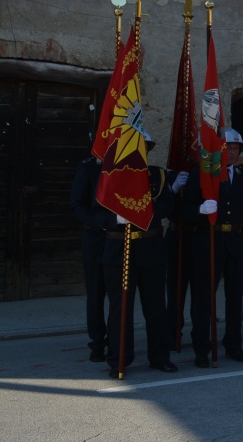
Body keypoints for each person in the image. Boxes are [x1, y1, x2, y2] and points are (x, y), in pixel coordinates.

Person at [182, 128, 243, 367]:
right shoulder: (202, 173)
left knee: (235, 297)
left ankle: (233, 344)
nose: (233, 153)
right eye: (229, 149)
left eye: (236, 149)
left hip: (237, 243)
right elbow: (184, 210)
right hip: (210, 243)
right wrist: (199, 211)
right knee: (204, 300)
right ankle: (202, 348)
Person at [100, 140, 179, 377]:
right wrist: (115, 220)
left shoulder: (157, 175)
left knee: (156, 308)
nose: (139, 152)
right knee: (120, 309)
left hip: (151, 248)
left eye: (143, 148)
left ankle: (159, 357)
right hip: (119, 249)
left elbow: (167, 205)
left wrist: (144, 210)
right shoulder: (110, 176)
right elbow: (91, 213)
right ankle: (119, 359)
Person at [70, 155, 108, 363]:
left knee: (120, 296)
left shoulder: (128, 164)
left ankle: (118, 341)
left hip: (119, 239)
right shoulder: (89, 168)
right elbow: (76, 204)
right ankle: (97, 343)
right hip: (96, 238)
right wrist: (99, 222)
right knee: (95, 294)